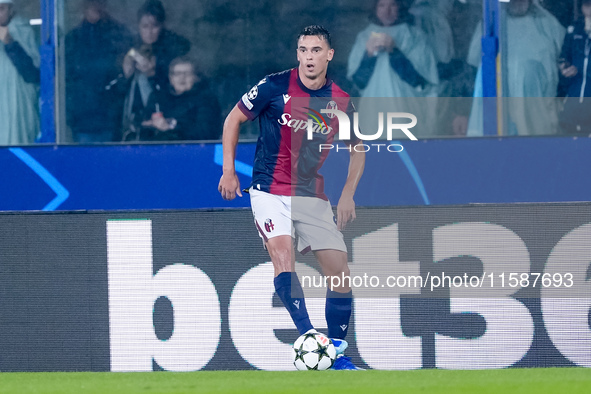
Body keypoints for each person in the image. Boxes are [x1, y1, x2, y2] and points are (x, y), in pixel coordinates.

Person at [218, 25, 365, 370]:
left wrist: (347, 194)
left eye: (316, 50)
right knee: (283, 257)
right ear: (297, 53)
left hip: (310, 194)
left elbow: (357, 150)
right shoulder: (274, 86)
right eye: (303, 50)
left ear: (329, 55)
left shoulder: (340, 101)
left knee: (340, 274)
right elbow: (233, 119)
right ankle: (311, 338)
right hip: (268, 189)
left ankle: (338, 354)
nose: (308, 57)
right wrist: (228, 170)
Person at [466, 0, 565, 136]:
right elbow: (474, 66)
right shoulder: (491, 25)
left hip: (535, 109)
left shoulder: (547, 24)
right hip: (495, 110)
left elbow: (566, 64)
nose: (517, 2)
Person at [347, 0, 439, 138]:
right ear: (375, 8)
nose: (387, 11)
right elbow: (358, 82)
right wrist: (368, 56)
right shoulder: (364, 37)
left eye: (393, 5)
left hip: (405, 112)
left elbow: (420, 82)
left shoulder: (415, 37)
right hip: (372, 114)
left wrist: (394, 52)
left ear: (400, 7)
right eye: (382, 5)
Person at [117, 0, 190, 140]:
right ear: (138, 26)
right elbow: (116, 94)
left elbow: (175, 91)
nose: (149, 32)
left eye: (154, 26)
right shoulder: (128, 48)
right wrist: (126, 74)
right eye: (145, 26)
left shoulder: (173, 48)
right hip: (131, 117)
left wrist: (154, 74)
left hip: (162, 120)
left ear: (162, 26)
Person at [65, 0, 133, 143]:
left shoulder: (118, 34)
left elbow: (125, 76)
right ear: (83, 6)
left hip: (111, 116)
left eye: (98, 2)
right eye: (90, 3)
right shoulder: (73, 38)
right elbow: (68, 80)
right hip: (82, 117)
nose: (94, 6)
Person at [140, 57, 221, 141]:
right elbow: (142, 128)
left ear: (196, 77)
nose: (182, 78)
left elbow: (206, 133)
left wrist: (171, 126)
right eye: (177, 73)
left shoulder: (207, 100)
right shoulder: (157, 98)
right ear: (171, 78)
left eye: (187, 73)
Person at [0, 0, 39, 146]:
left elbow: (32, 73)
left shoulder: (23, 30)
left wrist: (10, 43)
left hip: (18, 104)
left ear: (10, 10)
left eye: (1, 9)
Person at [558, 0, 591, 135]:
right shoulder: (574, 29)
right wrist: (565, 68)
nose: (588, 9)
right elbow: (564, 57)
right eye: (586, 5)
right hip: (574, 99)